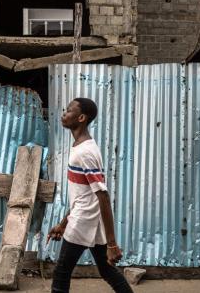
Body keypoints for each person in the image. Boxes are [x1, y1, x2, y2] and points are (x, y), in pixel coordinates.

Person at [47, 98, 132, 293]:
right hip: (88, 218)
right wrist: (62, 223)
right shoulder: (80, 147)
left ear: (81, 117)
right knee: (106, 270)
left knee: (61, 272)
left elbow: (103, 196)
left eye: (69, 110)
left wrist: (112, 244)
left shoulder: (85, 153)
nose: (64, 114)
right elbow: (84, 195)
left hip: (83, 219)